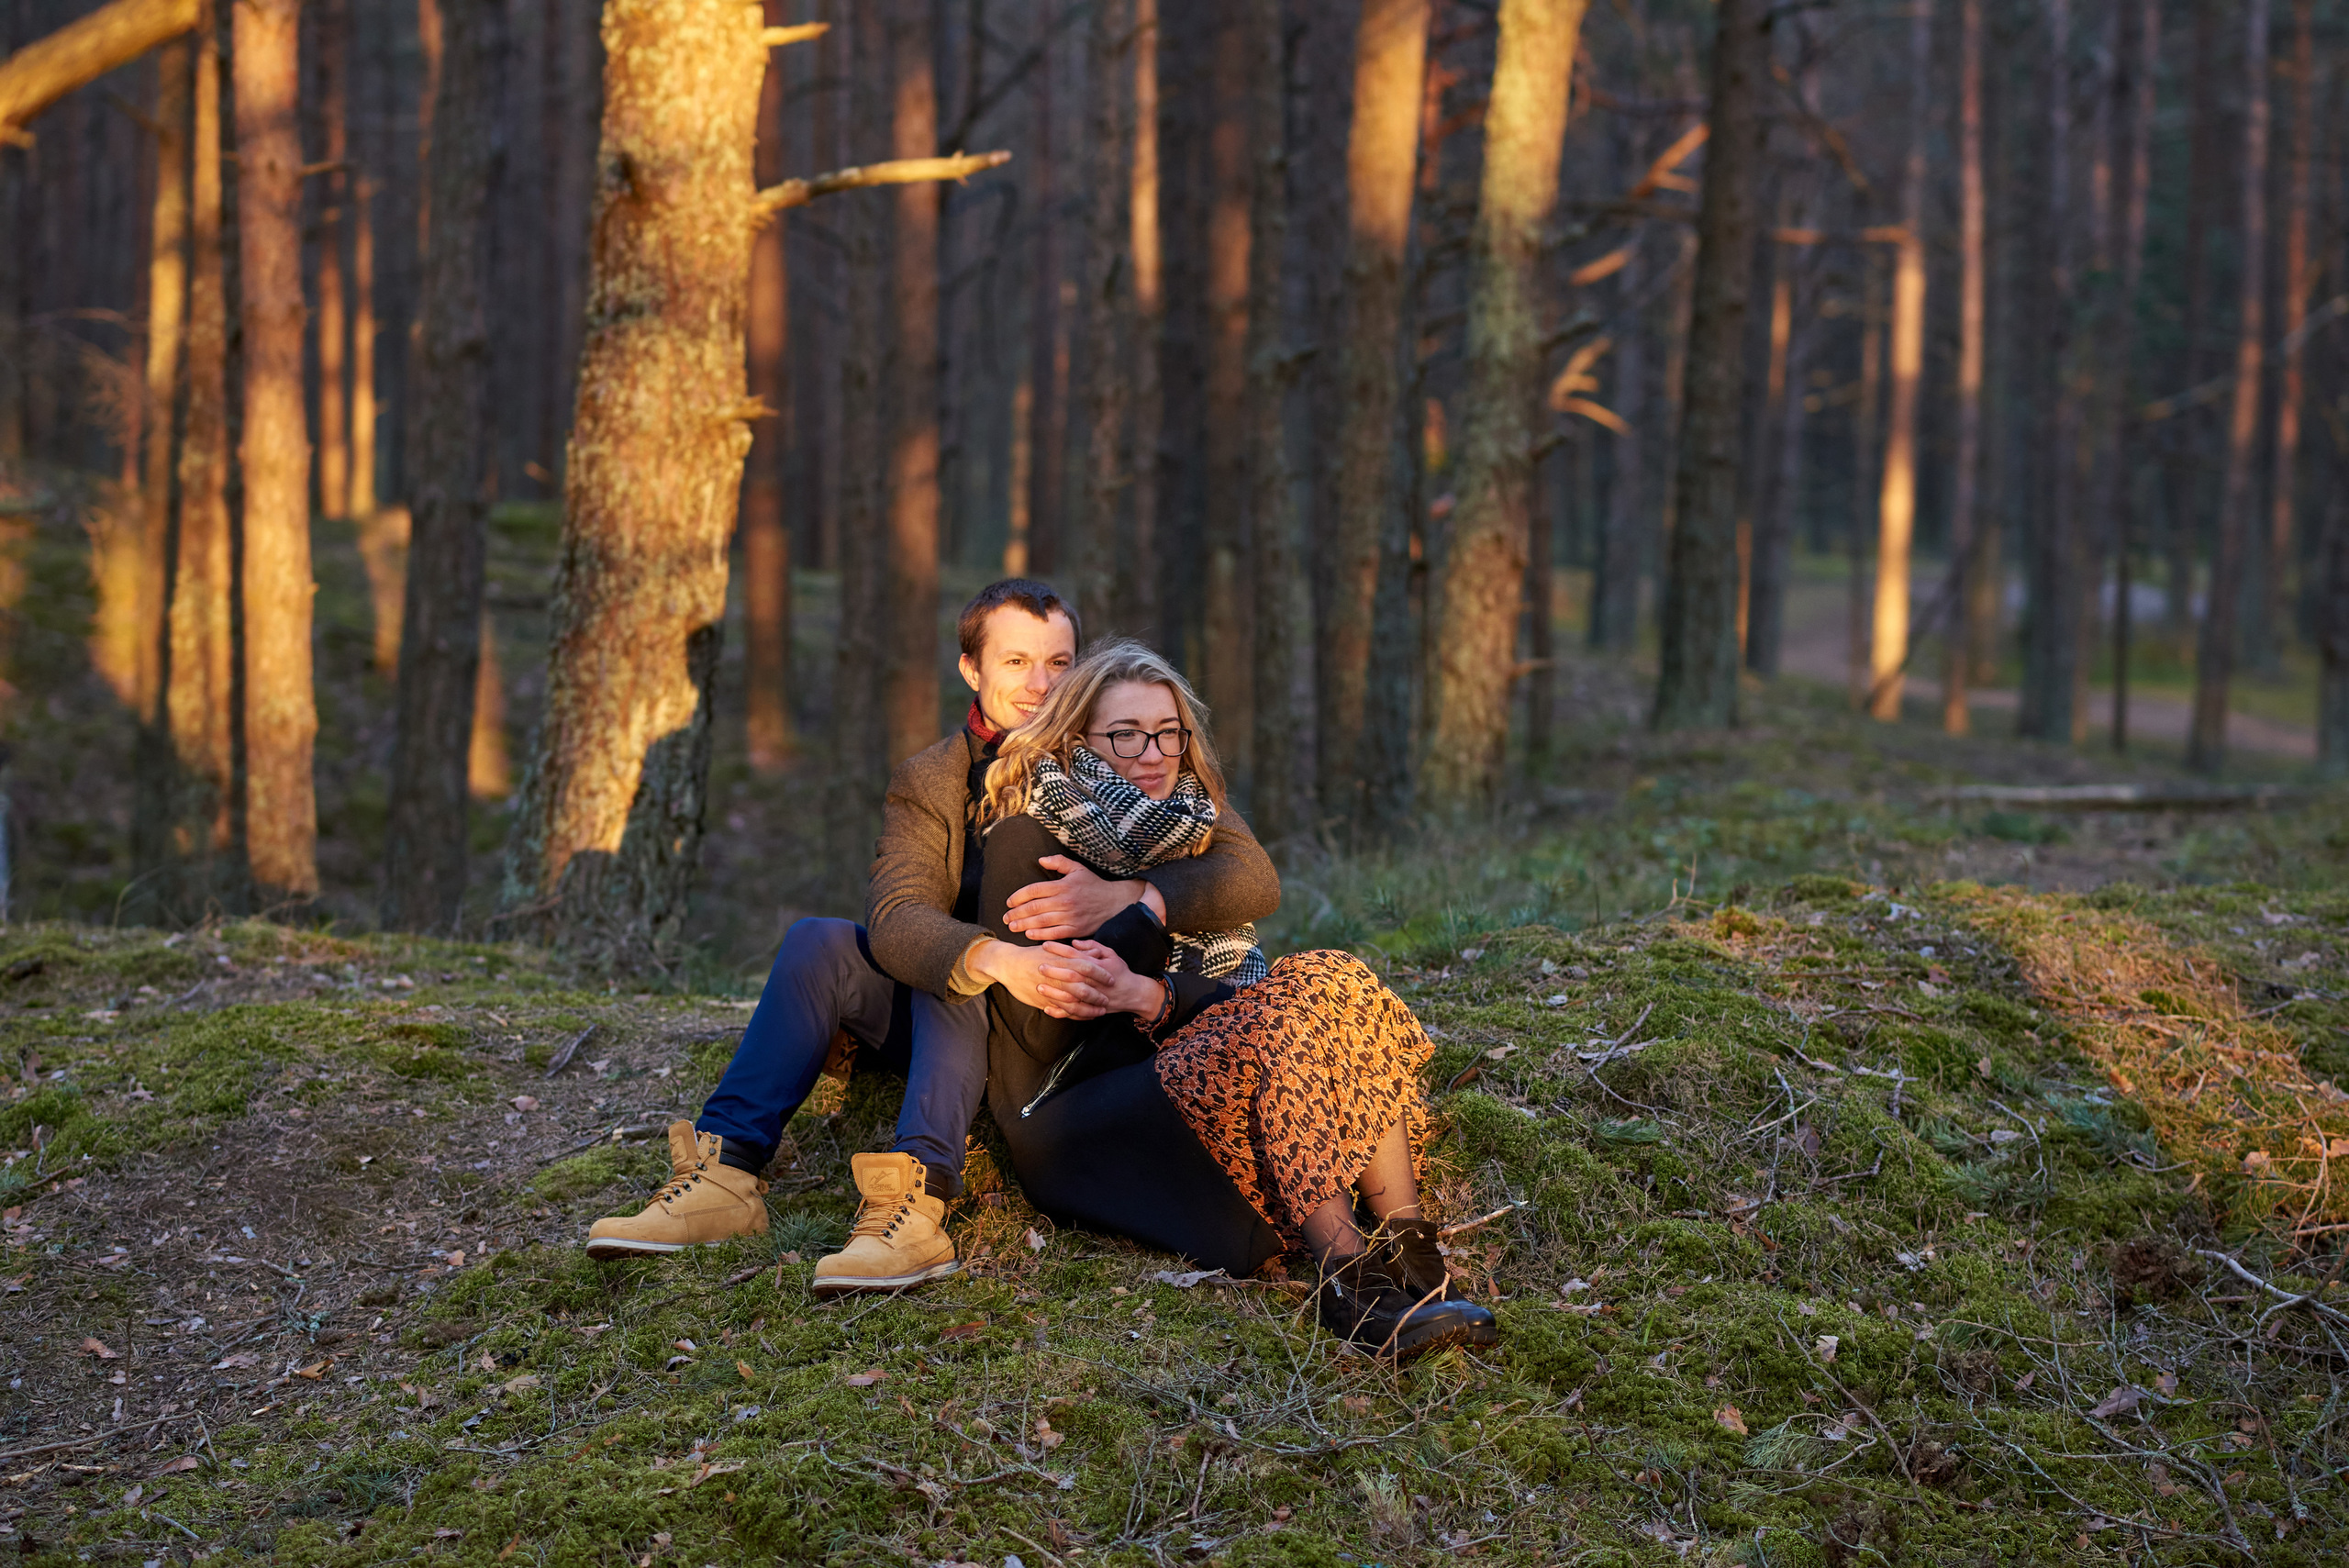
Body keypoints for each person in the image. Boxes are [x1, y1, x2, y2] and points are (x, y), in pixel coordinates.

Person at [584, 583, 1283, 1297]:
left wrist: (1126, 895)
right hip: (970, 1000)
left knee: (954, 961)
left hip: (1075, 1024)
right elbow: (897, 913)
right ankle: (725, 1172)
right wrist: (998, 958)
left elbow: (1253, 874)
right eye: (1016, 661)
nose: (1041, 684)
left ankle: (915, 1199)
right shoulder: (934, 778)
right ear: (971, 669)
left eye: (1058, 661)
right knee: (825, 943)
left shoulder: (1123, 747)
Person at [967, 640, 1499, 1359]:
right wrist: (1140, 941)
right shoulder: (1029, 838)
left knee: (1331, 973)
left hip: (1182, 1059)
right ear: (1077, 740)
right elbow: (1038, 1033)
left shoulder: (1188, 824)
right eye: (1126, 733)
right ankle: (1347, 1282)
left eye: (1168, 731)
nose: (1153, 752)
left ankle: (1409, 1253)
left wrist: (1144, 928)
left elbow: (1213, 978)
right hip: (1078, 1111)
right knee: (1286, 1010)